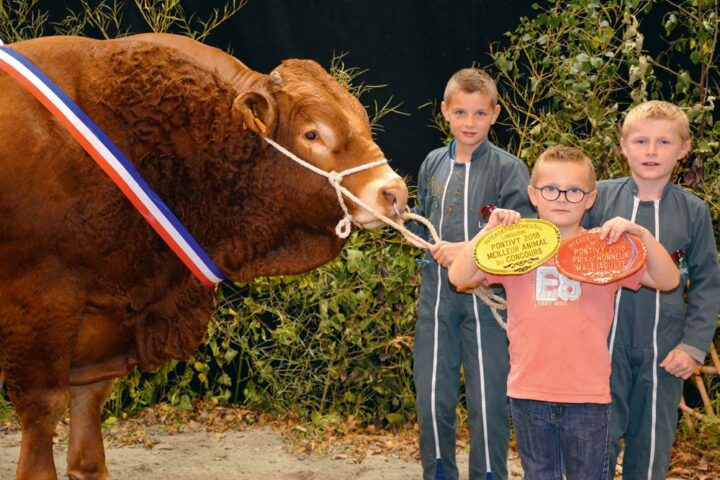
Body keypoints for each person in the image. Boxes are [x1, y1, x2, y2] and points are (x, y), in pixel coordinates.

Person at [448, 145, 680, 479]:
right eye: (550, 189)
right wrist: (489, 231)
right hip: (528, 392)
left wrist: (640, 233)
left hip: (589, 395)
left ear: (590, 199)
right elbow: (459, 277)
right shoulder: (515, 248)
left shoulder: (606, 250)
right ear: (533, 195)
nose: (561, 198)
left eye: (574, 191)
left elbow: (667, 279)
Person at [584, 100, 720, 479]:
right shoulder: (597, 199)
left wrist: (693, 346)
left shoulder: (693, 212)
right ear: (623, 145)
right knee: (596, 441)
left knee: (652, 448)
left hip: (663, 349)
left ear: (684, 149)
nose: (651, 151)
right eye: (641, 141)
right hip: (602, 344)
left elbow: (708, 283)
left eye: (663, 142)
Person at [411, 67, 534, 480]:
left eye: (479, 114)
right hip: (436, 300)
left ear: (495, 114)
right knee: (432, 399)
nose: (469, 123)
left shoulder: (509, 168)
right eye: (460, 112)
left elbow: (523, 244)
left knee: (488, 402)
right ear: (445, 112)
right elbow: (419, 228)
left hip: (487, 301)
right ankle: (439, 473)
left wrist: (464, 251)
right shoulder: (431, 163)